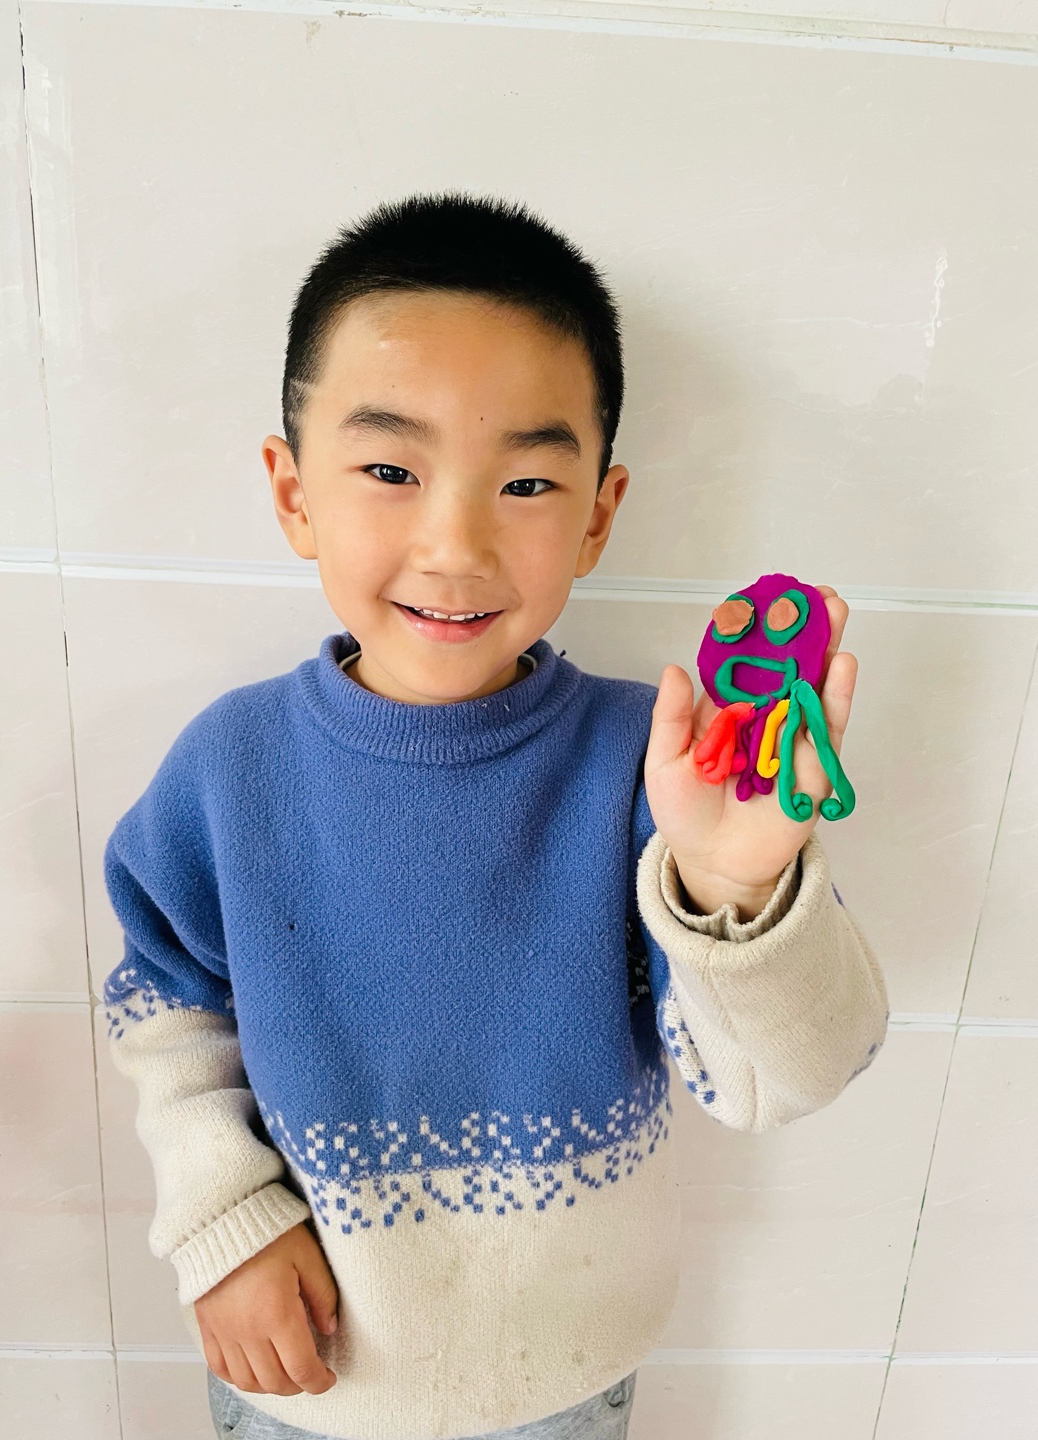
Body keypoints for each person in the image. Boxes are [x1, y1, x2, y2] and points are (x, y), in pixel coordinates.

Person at [101, 193, 888, 1440]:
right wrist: (224, 1221)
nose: (456, 543)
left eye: (526, 481)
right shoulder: (228, 769)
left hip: (568, 1387)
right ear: (293, 492)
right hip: (306, 1384)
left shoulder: (660, 771)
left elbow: (788, 1078)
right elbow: (167, 1011)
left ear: (598, 515)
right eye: (389, 471)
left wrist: (734, 889)